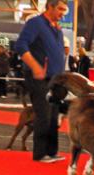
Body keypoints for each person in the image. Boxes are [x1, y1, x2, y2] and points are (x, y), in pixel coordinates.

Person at [15, 0, 67, 163]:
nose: (63, 13)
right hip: (38, 77)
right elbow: (21, 45)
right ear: (49, 7)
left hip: (55, 79)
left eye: (64, 10)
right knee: (43, 113)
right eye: (60, 9)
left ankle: (51, 152)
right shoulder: (35, 23)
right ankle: (40, 154)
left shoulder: (57, 29)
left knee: (53, 116)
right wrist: (35, 66)